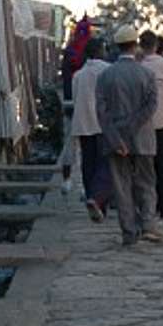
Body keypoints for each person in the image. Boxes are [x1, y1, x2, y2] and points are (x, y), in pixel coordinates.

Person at [94, 25, 161, 247]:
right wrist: (133, 127)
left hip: (116, 141)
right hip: (143, 137)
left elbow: (101, 113)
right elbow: (152, 106)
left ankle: (129, 231)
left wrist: (116, 137)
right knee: (146, 182)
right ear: (136, 45)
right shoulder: (147, 74)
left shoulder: (105, 76)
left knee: (121, 186)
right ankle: (149, 224)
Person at [69, 36, 110, 217]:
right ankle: (99, 199)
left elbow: (76, 99)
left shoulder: (78, 75)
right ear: (100, 51)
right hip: (103, 124)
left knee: (88, 163)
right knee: (105, 163)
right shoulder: (108, 71)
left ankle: (91, 196)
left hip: (84, 124)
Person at [139, 29, 163, 220]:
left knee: (145, 166)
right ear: (156, 45)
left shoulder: (139, 66)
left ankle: (148, 206)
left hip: (142, 123)